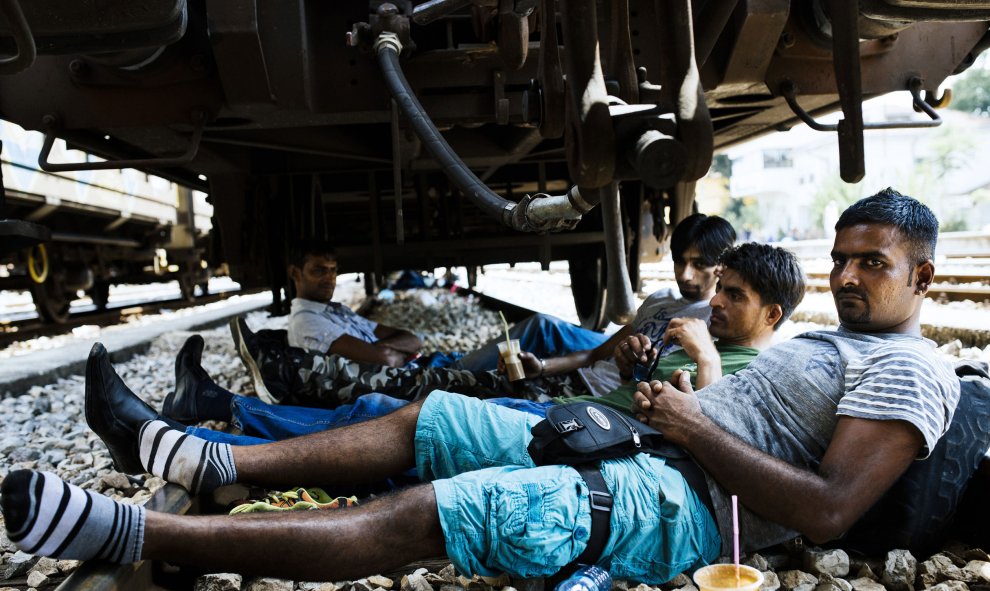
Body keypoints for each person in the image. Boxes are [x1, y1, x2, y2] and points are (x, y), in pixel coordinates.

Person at [2, 189, 958, 584]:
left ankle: (132, 531)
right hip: (643, 443)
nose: (846, 276)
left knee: (449, 508)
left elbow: (829, 510)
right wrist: (658, 397)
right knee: (435, 416)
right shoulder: (842, 342)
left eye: (872, 264)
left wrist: (690, 421)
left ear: (922, 277)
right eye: (842, 258)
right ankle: (201, 451)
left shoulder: (913, 369)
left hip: (681, 502)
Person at [150, 242, 803, 446]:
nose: (715, 302)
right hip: (573, 409)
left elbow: (716, 446)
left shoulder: (758, 368)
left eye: (734, 296)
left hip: (580, 432)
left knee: (398, 416)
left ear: (771, 313)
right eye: (720, 287)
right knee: (396, 411)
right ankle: (227, 410)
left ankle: (221, 424)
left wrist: (707, 363)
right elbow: (626, 381)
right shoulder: (707, 339)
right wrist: (623, 354)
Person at [228, 213, 737, 407]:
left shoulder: (715, 337)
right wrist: (544, 366)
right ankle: (280, 378)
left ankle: (269, 389)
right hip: (565, 384)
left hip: (578, 404)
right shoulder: (658, 304)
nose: (688, 276)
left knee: (422, 399)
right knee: (428, 391)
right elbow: (595, 355)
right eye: (681, 262)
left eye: (701, 267)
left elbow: (694, 410)